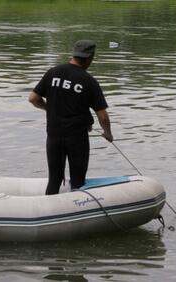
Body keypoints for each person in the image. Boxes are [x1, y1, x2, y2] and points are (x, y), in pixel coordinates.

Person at [28, 39, 113, 195]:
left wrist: (49, 109)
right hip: (77, 139)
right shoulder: (89, 81)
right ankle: (77, 212)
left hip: (53, 136)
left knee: (54, 180)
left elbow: (33, 98)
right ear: (89, 57)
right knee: (78, 182)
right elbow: (103, 116)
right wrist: (108, 133)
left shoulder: (53, 72)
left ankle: (49, 213)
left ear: (74, 54)